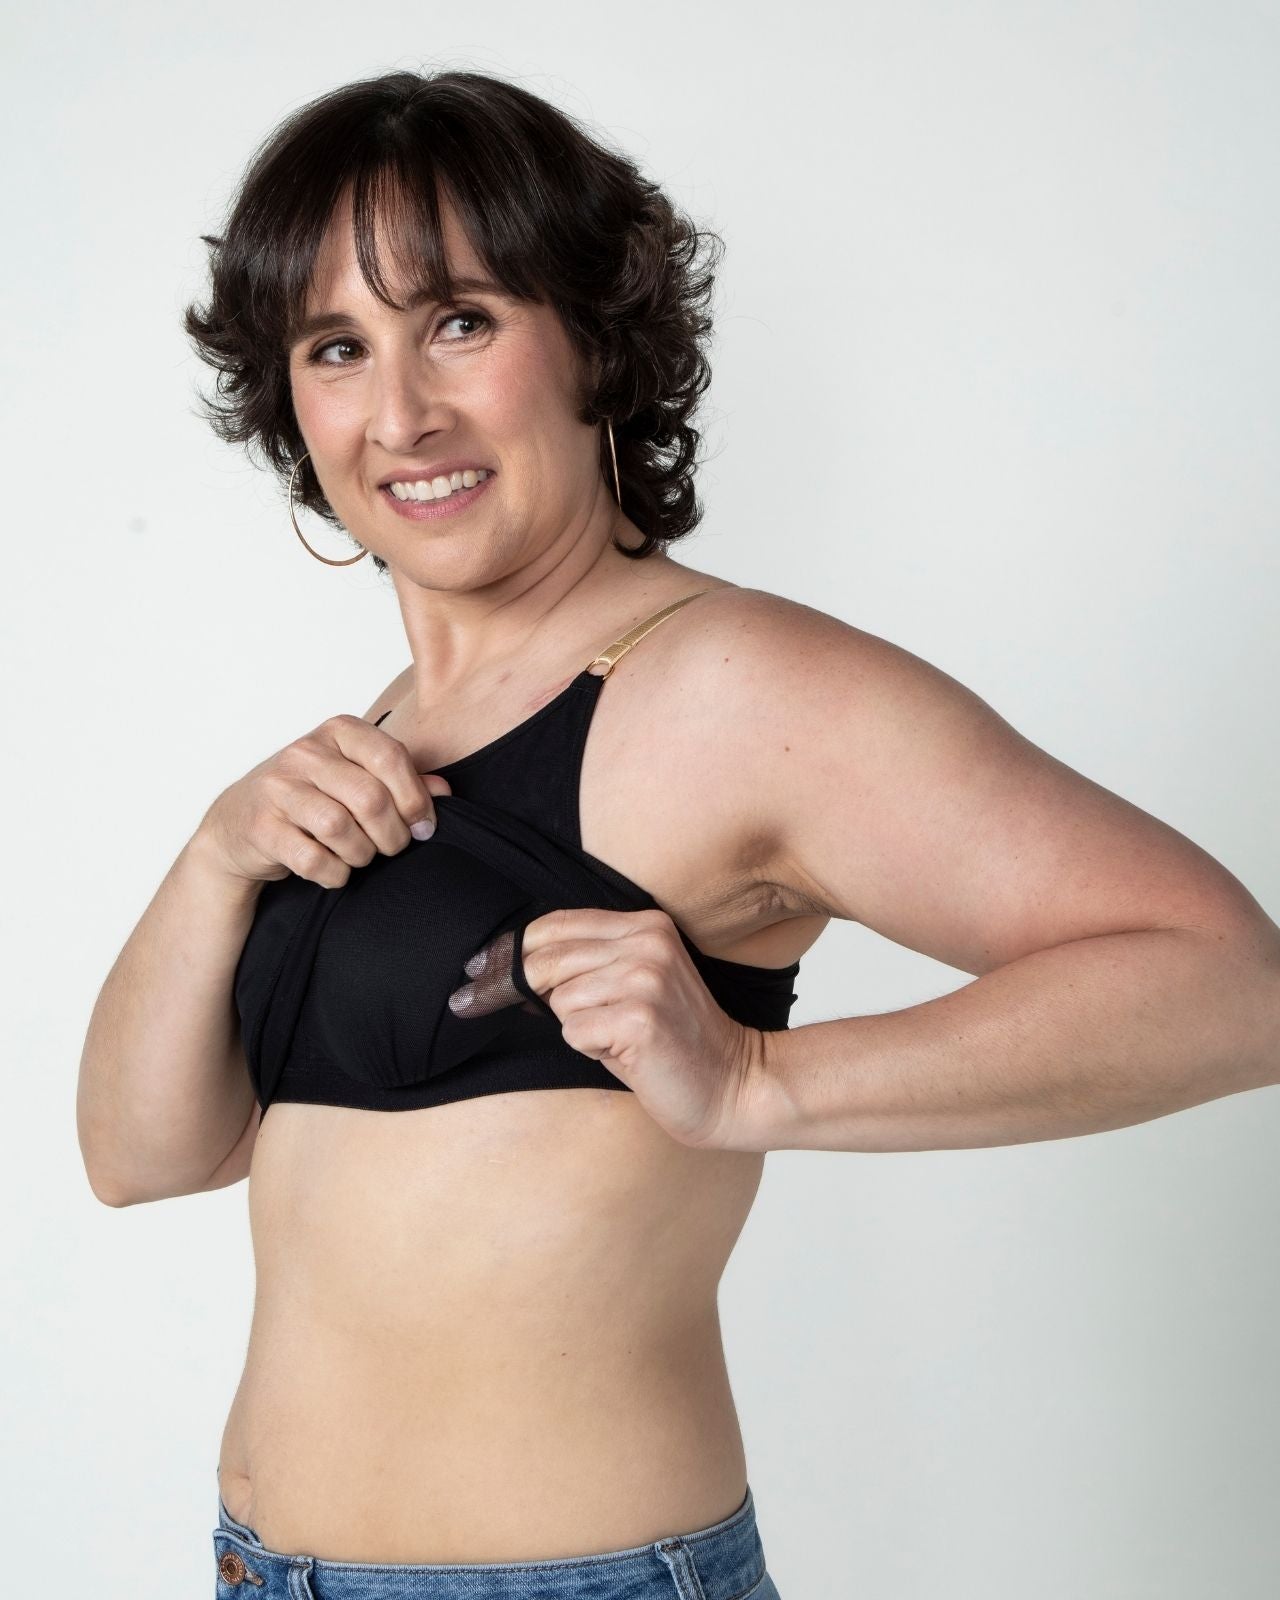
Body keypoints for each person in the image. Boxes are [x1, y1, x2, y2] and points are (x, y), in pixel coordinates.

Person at [76, 67, 1280, 1600]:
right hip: (264, 1573)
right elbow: (142, 1155)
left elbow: (1233, 985)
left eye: (461, 321)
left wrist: (760, 1081)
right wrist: (215, 857)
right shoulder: (383, 732)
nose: (401, 413)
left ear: (593, 335)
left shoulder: (729, 685)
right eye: (336, 347)